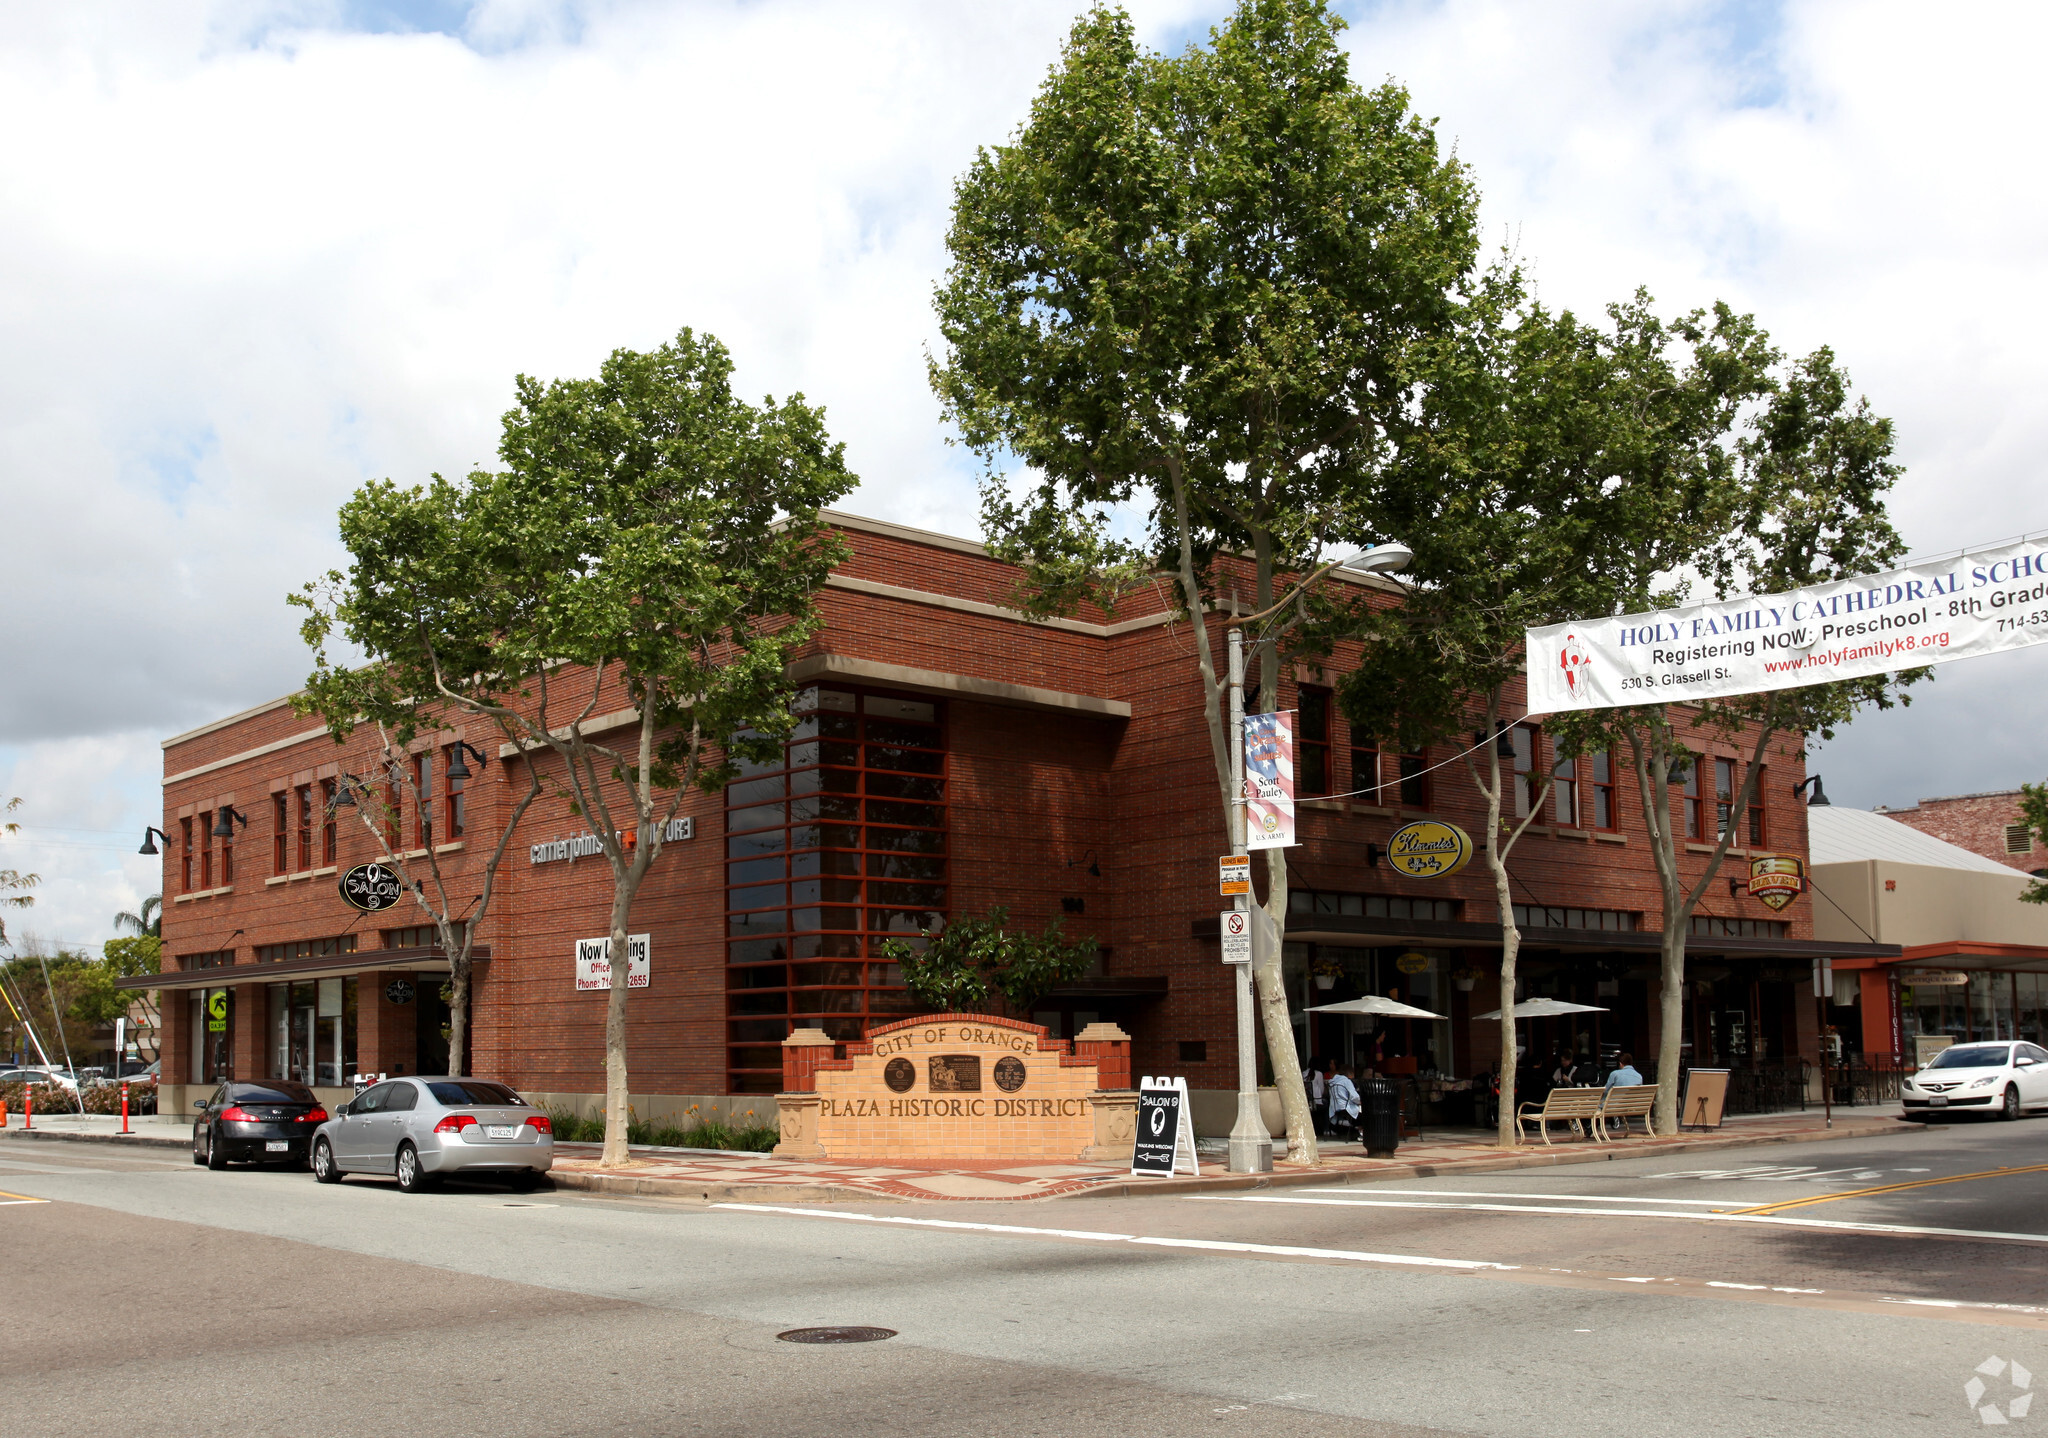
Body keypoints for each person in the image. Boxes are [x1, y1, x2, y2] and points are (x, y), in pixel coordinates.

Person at [1326, 1061, 1361, 1138]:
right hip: (1347, 1109)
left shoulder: (1332, 1082)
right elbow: (1354, 1097)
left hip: (1335, 1110)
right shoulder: (1347, 1081)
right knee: (1367, 1114)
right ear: (1350, 1073)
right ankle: (1361, 1131)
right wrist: (1361, 1102)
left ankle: (1354, 1128)